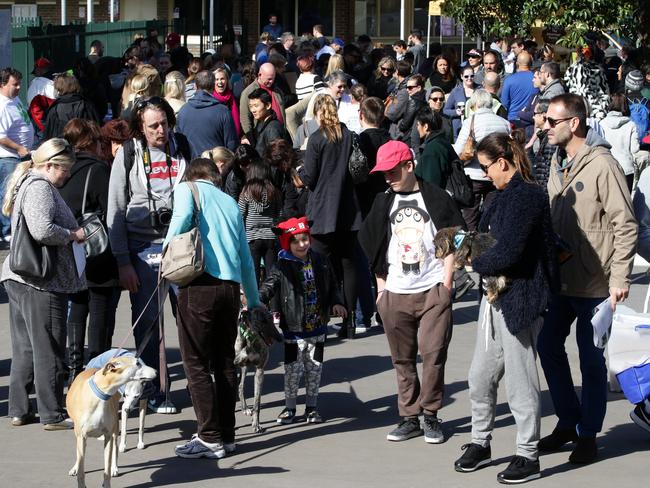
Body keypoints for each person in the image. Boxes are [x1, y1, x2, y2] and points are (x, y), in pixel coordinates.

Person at [537, 93, 638, 464]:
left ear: (574, 123)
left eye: (551, 121)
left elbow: (625, 224)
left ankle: (588, 434)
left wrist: (620, 278)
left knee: (591, 360)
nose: (544, 127)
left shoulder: (603, 165)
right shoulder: (556, 162)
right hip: (560, 279)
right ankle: (567, 420)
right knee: (547, 346)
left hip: (596, 283)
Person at [453, 132, 557, 484]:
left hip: (521, 300)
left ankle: (528, 455)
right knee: (479, 378)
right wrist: (469, 251)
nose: (484, 174)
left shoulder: (528, 196)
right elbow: (482, 239)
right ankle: (480, 441)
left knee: (520, 381)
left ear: (502, 162)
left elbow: (509, 251)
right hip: (493, 299)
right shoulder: (498, 198)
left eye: (486, 167)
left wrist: (470, 263)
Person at [358, 140, 465, 444]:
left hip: (433, 290)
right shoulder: (383, 202)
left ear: (409, 165)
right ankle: (409, 417)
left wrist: (447, 284)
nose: (387, 177)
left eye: (392, 171)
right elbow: (373, 246)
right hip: (394, 292)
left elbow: (455, 239)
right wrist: (381, 292)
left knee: (433, 356)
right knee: (402, 360)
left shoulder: (437, 198)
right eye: (383, 173)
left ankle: (430, 415)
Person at [168, 157, 262, 460]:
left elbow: (181, 219)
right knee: (224, 362)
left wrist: (166, 255)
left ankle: (209, 436)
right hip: (230, 289)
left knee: (195, 363)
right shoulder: (230, 202)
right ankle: (227, 435)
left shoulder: (188, 189)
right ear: (214, 177)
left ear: (193, 175)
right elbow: (245, 257)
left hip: (199, 284)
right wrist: (254, 299)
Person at [107, 97, 190, 414]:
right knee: (149, 325)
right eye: (154, 125)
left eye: (165, 123)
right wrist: (123, 261)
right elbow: (114, 210)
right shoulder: (128, 154)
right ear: (140, 129)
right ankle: (155, 390)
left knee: (190, 318)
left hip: (180, 246)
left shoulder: (181, 146)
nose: (161, 130)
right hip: (142, 248)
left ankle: (197, 383)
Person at [1, 138, 86, 430]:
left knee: (25, 348)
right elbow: (41, 230)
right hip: (41, 281)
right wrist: (72, 235)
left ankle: (19, 409)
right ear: (50, 164)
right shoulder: (40, 187)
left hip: (20, 276)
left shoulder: (28, 181)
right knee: (48, 347)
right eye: (65, 169)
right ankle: (51, 412)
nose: (68, 175)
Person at [259, 217, 347, 424]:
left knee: (314, 369)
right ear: (287, 243)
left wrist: (337, 302)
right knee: (292, 371)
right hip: (293, 331)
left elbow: (333, 284)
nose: (302, 244)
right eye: (296, 241)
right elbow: (269, 286)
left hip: (318, 329)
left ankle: (312, 407)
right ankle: (290, 407)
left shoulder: (320, 260)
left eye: (305, 239)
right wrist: (254, 300)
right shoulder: (282, 265)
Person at [59, 119, 120, 383]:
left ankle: (74, 368)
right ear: (93, 142)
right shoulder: (98, 171)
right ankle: (94, 368)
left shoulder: (62, 170)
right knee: (100, 309)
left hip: (69, 249)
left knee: (77, 305)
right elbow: (112, 212)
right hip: (97, 250)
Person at [300, 94, 362, 339]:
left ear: (317, 113)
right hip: (348, 210)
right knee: (349, 265)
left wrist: (299, 173)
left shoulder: (316, 139)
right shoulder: (349, 136)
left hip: (323, 211)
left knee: (319, 268)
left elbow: (310, 177)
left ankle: (322, 319)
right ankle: (350, 322)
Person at [453, 89, 511, 231]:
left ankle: (471, 244)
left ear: (474, 104)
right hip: (497, 175)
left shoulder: (470, 122)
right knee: (492, 213)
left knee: (470, 215)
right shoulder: (504, 123)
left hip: (474, 174)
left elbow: (458, 150)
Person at [0, 67, 34, 243]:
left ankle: (11, 228)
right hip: (8, 157)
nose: (19, 87)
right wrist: (19, 148)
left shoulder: (14, 99)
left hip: (20, 156)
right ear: (3, 84)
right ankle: (7, 230)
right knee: (7, 193)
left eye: (20, 83)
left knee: (14, 192)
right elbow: (1, 136)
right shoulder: (2, 105)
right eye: (15, 84)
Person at [176, 70, 238, 158]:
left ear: (195, 86)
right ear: (213, 85)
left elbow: (179, 144)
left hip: (193, 167)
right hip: (216, 166)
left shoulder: (183, 111)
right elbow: (231, 145)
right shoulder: (223, 111)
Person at [238, 161, 281, 283]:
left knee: (253, 273)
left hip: (252, 238)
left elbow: (240, 214)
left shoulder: (246, 192)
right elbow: (280, 214)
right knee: (271, 275)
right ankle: (274, 301)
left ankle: (255, 300)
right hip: (270, 237)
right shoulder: (275, 192)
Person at [600, 93, 641, 191]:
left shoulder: (601, 124)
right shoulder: (631, 125)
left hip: (607, 168)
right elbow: (635, 149)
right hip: (626, 169)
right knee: (626, 203)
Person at [239, 63, 286, 136]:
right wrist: (251, 139)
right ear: (259, 75)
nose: (272, 81)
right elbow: (245, 118)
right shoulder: (247, 92)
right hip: (262, 137)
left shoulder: (277, 91)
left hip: (280, 133)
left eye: (273, 78)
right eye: (269, 79)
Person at [414, 109, 456, 188]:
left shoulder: (431, 149)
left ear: (425, 127)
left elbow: (431, 185)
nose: (417, 128)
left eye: (418, 125)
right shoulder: (443, 141)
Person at [245, 88, 288, 156]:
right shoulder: (261, 123)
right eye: (251, 106)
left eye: (256, 106)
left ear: (268, 105)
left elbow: (277, 157)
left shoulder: (273, 128)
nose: (253, 110)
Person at [501, 53, 538, 122]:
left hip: (513, 119)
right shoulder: (537, 79)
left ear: (517, 63)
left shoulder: (509, 80)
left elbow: (504, 103)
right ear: (531, 63)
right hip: (531, 119)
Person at [444, 66, 478, 138]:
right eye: (466, 76)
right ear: (461, 77)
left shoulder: (480, 89)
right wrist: (456, 112)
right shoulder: (456, 91)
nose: (469, 78)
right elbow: (446, 110)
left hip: (476, 127)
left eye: (472, 76)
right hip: (460, 129)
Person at [398, 74, 427, 146]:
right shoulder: (426, 97)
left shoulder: (413, 101)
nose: (407, 90)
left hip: (410, 138)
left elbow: (404, 125)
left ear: (419, 88)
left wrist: (399, 126)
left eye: (410, 88)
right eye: (406, 87)